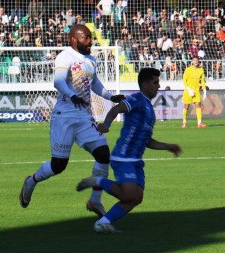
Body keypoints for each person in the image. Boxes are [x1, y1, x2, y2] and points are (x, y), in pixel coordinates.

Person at [20, 24, 124, 216]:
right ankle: (31, 181)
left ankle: (95, 201)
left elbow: (95, 84)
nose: (90, 41)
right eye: (86, 38)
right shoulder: (64, 56)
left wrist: (110, 97)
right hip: (64, 117)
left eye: (91, 37)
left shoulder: (92, 60)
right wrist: (72, 95)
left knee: (103, 155)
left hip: (84, 117)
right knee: (58, 166)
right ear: (74, 39)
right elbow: (58, 81)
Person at [76, 68, 181, 234]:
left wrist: (168, 147)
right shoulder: (137, 98)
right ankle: (97, 181)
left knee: (136, 198)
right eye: (155, 82)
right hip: (123, 157)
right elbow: (116, 109)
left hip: (136, 161)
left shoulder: (149, 110)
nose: (158, 86)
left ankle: (103, 222)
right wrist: (107, 124)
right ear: (145, 84)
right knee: (128, 195)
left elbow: (147, 141)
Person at [180, 55, 207, 128]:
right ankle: (184, 122)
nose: (196, 62)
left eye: (197, 60)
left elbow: (203, 81)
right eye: (194, 60)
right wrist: (188, 89)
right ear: (192, 61)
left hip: (196, 91)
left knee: (198, 105)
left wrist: (204, 91)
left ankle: (199, 123)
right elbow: (184, 80)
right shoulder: (188, 69)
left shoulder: (201, 70)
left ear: (198, 62)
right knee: (186, 106)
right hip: (188, 91)